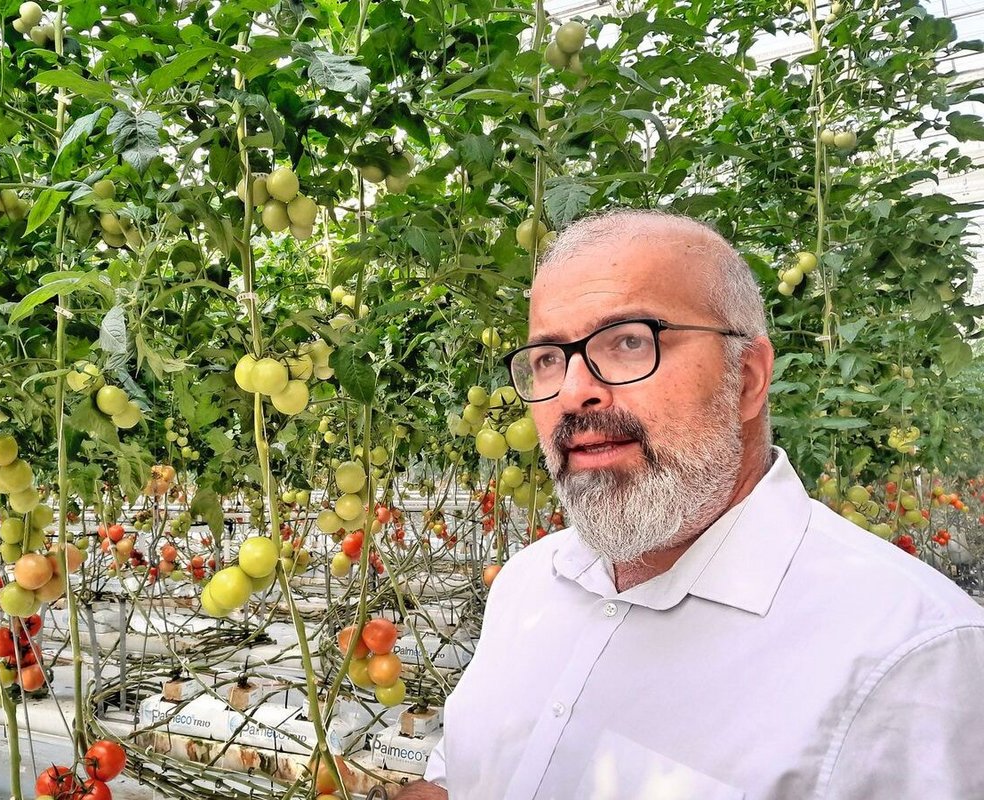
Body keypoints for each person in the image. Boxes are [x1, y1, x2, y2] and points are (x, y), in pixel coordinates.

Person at [394, 210, 984, 799]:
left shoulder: (911, 659)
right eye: (548, 358)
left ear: (747, 378)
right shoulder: (526, 585)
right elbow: (465, 775)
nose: (574, 391)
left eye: (628, 341)